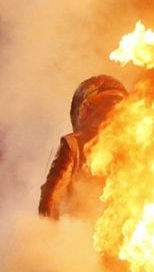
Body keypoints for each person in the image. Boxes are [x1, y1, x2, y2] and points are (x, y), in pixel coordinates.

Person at [38, 75, 128, 219]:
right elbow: (51, 199)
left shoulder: (136, 145)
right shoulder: (74, 145)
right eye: (106, 107)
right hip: (84, 230)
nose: (111, 114)